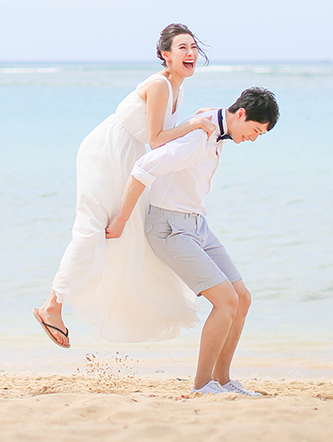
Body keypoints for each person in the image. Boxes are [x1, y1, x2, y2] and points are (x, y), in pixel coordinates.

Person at [33, 24, 216, 348]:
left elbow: (160, 137)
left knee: (123, 234)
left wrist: (198, 119)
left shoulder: (177, 89)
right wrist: (194, 124)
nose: (190, 53)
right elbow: (159, 139)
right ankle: (52, 306)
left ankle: (74, 302)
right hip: (107, 150)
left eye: (193, 47)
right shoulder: (160, 85)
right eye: (182, 48)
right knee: (93, 229)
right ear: (165, 55)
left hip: (127, 154)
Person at [105, 86, 279, 396]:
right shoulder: (198, 138)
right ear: (241, 115)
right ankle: (202, 385)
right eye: (255, 130)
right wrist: (121, 219)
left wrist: (205, 114)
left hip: (198, 225)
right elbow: (144, 167)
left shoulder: (214, 123)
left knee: (243, 298)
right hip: (170, 228)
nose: (253, 138)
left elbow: (209, 114)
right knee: (226, 301)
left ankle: (223, 381)